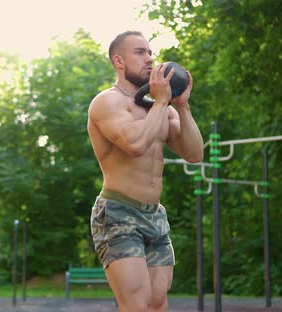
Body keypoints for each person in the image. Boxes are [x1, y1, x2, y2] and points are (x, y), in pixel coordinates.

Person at [86, 31, 204, 312]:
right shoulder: (107, 103)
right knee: (137, 306)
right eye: (140, 52)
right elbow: (135, 144)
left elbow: (195, 154)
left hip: (154, 214)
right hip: (118, 212)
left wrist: (182, 106)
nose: (150, 59)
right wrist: (162, 102)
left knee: (157, 304)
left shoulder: (158, 107)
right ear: (118, 60)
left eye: (150, 52)